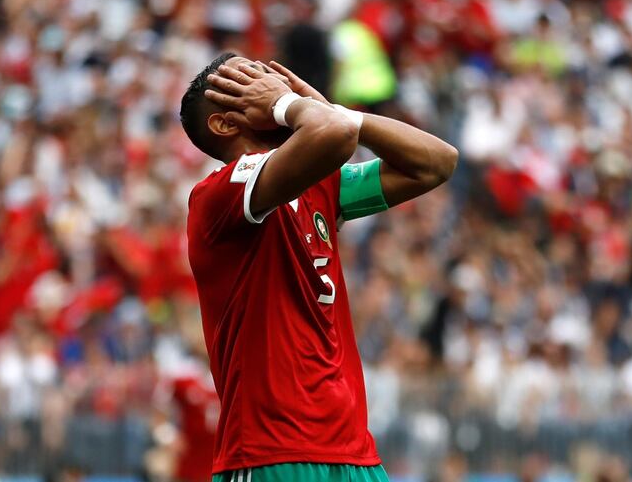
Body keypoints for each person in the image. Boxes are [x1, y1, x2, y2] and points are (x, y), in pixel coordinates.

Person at [181, 52, 458, 482]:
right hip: (272, 454)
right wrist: (292, 109)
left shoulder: (323, 190)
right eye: (252, 81)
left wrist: (332, 111)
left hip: (354, 454)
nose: (275, 84)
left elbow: (437, 163)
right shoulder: (218, 195)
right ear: (224, 123)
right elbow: (334, 133)